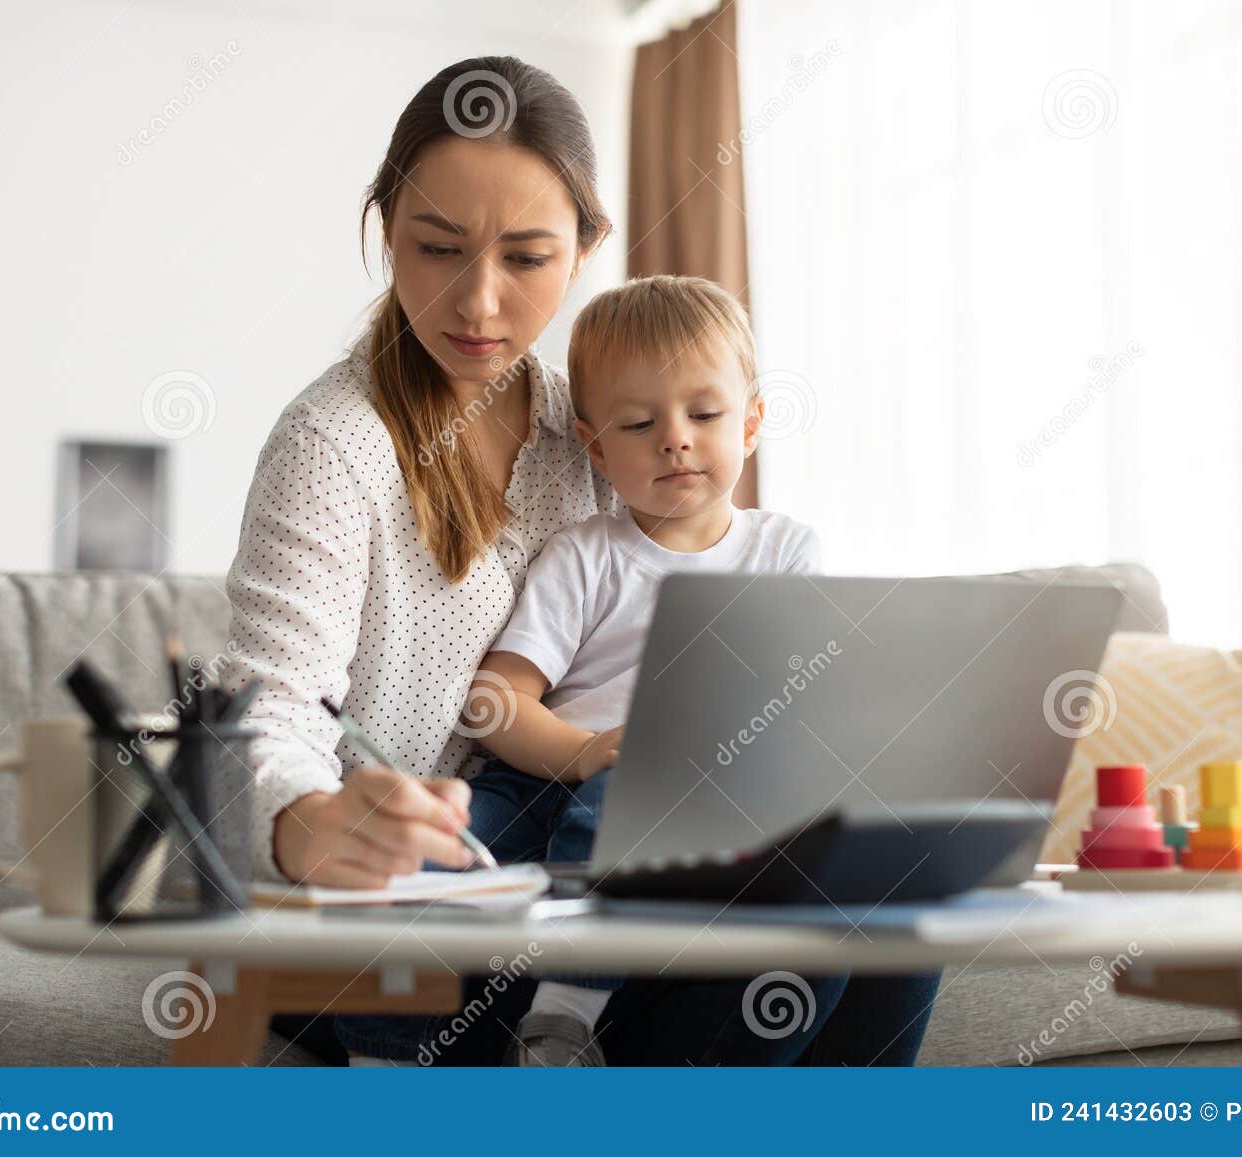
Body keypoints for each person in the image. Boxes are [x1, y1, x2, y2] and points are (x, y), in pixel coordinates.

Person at [222, 54, 937, 1066]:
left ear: (586, 247)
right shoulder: (334, 444)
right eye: (437, 247)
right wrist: (307, 819)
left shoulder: (606, 431)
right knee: (778, 945)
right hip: (410, 912)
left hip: (597, 887)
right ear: (387, 232)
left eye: (525, 258)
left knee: (884, 899)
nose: (478, 302)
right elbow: (263, 709)